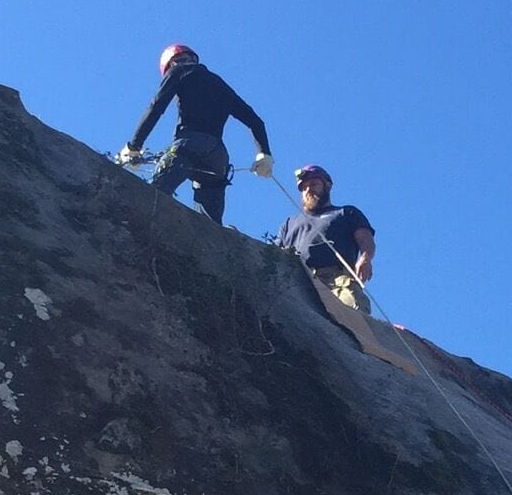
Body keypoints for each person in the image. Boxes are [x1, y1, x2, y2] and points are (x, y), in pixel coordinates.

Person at [118, 45, 273, 226]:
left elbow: (156, 108)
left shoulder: (178, 71)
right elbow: (256, 122)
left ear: (172, 63)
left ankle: (144, 233)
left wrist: (134, 146)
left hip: (188, 144)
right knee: (210, 225)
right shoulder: (219, 83)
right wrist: (264, 154)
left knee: (155, 197)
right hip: (217, 156)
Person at [276, 163, 376, 313]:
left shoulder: (345, 212)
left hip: (335, 279)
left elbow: (365, 238)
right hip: (298, 282)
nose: (308, 189)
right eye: (303, 187)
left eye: (314, 184)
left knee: (354, 311)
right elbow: (276, 254)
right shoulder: (289, 224)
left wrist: (365, 258)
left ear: (327, 186)